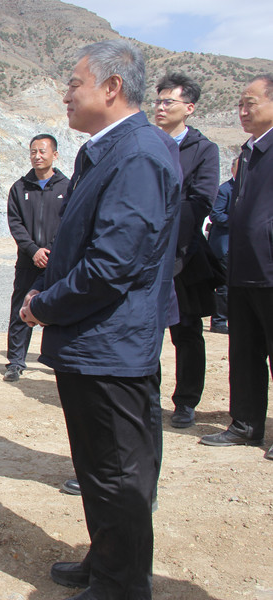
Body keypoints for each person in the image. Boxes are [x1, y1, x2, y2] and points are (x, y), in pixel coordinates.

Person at [20, 40, 180, 599]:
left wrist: (43, 305)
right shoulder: (108, 151)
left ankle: (122, 585)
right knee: (97, 466)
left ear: (111, 87)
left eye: (74, 84)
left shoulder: (138, 155)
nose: (65, 95)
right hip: (93, 342)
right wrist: (45, 289)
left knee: (118, 471)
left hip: (113, 345)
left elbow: (111, 266)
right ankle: (107, 561)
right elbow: (82, 247)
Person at [200, 74, 273, 462]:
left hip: (270, 268)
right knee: (244, 352)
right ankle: (245, 424)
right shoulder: (248, 153)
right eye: (240, 104)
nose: (243, 111)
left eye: (251, 103)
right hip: (243, 267)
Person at [153, 72, 221, 429]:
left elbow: (201, 200)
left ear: (189, 108)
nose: (161, 107)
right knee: (146, 329)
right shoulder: (146, 142)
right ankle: (147, 397)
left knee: (187, 332)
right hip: (146, 254)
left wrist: (162, 228)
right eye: (158, 101)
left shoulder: (204, 149)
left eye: (169, 101)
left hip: (184, 254)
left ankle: (186, 401)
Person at [4, 134, 69, 383]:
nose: (37, 156)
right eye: (33, 152)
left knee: (61, 308)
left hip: (57, 261)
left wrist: (51, 251)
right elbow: (15, 224)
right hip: (28, 261)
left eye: (42, 151)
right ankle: (15, 362)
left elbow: (69, 223)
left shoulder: (67, 187)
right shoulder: (20, 188)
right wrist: (33, 251)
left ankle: (60, 359)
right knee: (21, 309)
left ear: (55, 154)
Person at [207, 157, 238, 335]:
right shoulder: (225, 190)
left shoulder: (246, 189)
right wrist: (237, 220)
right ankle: (218, 321)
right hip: (224, 246)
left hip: (240, 246)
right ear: (233, 169)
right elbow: (215, 215)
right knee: (224, 285)